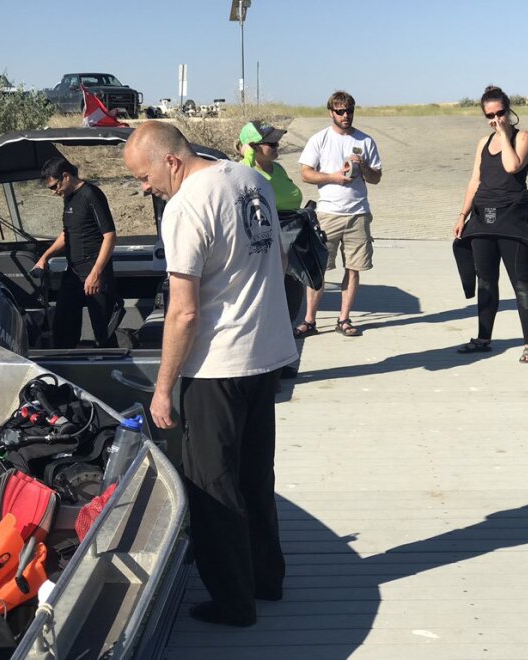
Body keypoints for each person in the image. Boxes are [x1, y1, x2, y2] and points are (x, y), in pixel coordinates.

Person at [123, 121, 298, 627]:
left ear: (171, 161)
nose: (144, 187)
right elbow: (279, 262)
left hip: (217, 367)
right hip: (265, 357)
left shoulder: (184, 207)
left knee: (212, 486)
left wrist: (162, 391)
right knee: (254, 476)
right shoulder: (253, 181)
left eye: (144, 175)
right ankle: (268, 579)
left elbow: (184, 313)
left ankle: (233, 602)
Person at [453, 86, 528, 363]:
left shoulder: (522, 136)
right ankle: (483, 337)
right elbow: (475, 180)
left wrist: (504, 134)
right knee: (486, 281)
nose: (495, 119)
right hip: (483, 218)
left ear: (508, 110)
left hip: (514, 218)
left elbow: (512, 166)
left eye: (500, 113)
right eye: (490, 116)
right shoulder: (483, 142)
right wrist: (462, 215)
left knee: (521, 282)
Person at [297, 90, 382, 337]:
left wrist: (362, 165)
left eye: (350, 111)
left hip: (358, 214)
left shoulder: (366, 141)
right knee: (319, 269)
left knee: (353, 268)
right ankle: (309, 320)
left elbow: (376, 178)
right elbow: (305, 173)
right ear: (331, 112)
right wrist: (334, 176)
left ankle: (344, 319)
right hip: (328, 213)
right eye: (341, 112)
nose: (346, 116)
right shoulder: (320, 139)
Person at [239, 120, 306, 377]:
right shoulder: (245, 172)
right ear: (253, 147)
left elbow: (292, 195)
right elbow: (250, 191)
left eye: (278, 142)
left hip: (289, 244)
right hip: (266, 250)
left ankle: (281, 361)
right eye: (271, 143)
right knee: (266, 311)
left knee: (288, 306)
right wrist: (247, 157)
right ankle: (267, 369)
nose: (277, 146)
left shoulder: (277, 169)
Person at [34, 157, 120, 349]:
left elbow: (110, 236)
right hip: (73, 271)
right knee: (63, 326)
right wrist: (44, 257)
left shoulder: (91, 194)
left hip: (95, 269)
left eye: (54, 187)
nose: (54, 193)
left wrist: (96, 273)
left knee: (103, 331)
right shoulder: (68, 198)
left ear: (66, 176)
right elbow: (67, 234)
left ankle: (108, 370)